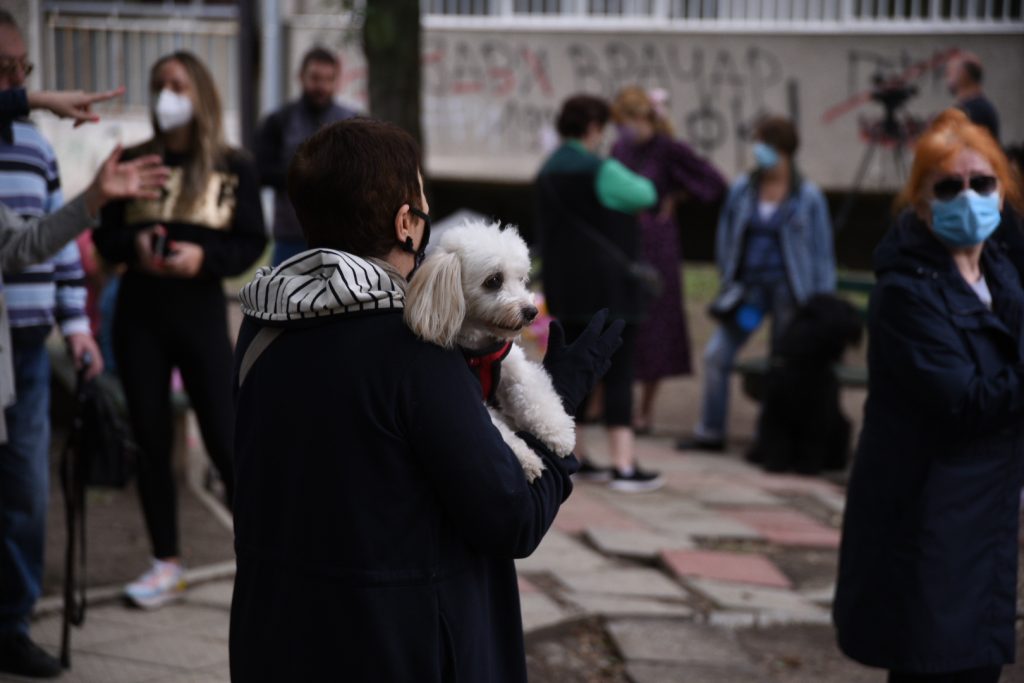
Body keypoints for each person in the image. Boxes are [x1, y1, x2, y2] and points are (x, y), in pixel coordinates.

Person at [229, 117, 621, 681]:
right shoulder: (414, 351)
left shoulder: (260, 327)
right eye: (421, 196)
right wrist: (557, 406)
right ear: (406, 223)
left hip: (274, 640)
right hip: (397, 647)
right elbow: (512, 517)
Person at [834, 109, 1024, 683]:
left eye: (982, 183)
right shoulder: (906, 293)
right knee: (938, 666)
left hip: (982, 521)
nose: (969, 197)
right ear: (921, 201)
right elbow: (965, 402)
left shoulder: (999, 270)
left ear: (1002, 189)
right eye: (949, 186)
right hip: (927, 530)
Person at [0, 89, 167, 677]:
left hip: (25, 347)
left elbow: (55, 250)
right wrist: (93, 196)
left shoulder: (36, 148)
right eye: (7, 74)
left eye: (25, 72)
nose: (18, 86)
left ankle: (12, 625)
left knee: (27, 490)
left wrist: (75, 325)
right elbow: (20, 245)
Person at [92, 51, 266, 609]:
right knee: (150, 441)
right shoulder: (136, 161)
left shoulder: (233, 164)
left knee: (225, 436)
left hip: (199, 315)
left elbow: (248, 241)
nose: (168, 93)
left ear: (201, 92)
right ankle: (165, 561)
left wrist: (203, 258)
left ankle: (262, 560)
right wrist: (134, 248)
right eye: (159, 84)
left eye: (178, 84)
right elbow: (103, 236)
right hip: (139, 318)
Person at [678, 115, 835, 452]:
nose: (758, 151)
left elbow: (822, 253)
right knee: (718, 354)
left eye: (765, 143)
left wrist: (821, 302)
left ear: (783, 149)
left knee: (782, 362)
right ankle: (710, 431)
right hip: (749, 295)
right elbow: (726, 237)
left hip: (790, 295)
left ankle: (771, 439)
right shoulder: (743, 189)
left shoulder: (807, 196)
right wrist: (727, 278)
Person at [535, 94, 664, 492]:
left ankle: (575, 455)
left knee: (573, 370)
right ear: (593, 128)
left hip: (565, 287)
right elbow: (646, 194)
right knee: (620, 372)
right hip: (610, 289)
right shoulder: (599, 169)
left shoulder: (546, 171)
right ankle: (624, 464)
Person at [610, 86, 727, 434]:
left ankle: (644, 409)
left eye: (628, 121)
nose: (625, 129)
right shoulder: (621, 148)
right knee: (622, 324)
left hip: (657, 246)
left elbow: (713, 183)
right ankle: (617, 402)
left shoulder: (669, 149)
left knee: (656, 325)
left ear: (644, 118)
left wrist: (677, 197)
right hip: (626, 243)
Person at [255, 46, 356, 266]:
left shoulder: (353, 122)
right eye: (315, 78)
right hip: (291, 237)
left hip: (340, 240)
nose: (322, 86)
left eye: (329, 79)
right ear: (301, 77)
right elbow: (261, 171)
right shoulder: (279, 121)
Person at [945, 51, 1000, 143]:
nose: (947, 77)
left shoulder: (976, 110)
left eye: (951, 72)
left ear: (964, 73)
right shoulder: (975, 107)